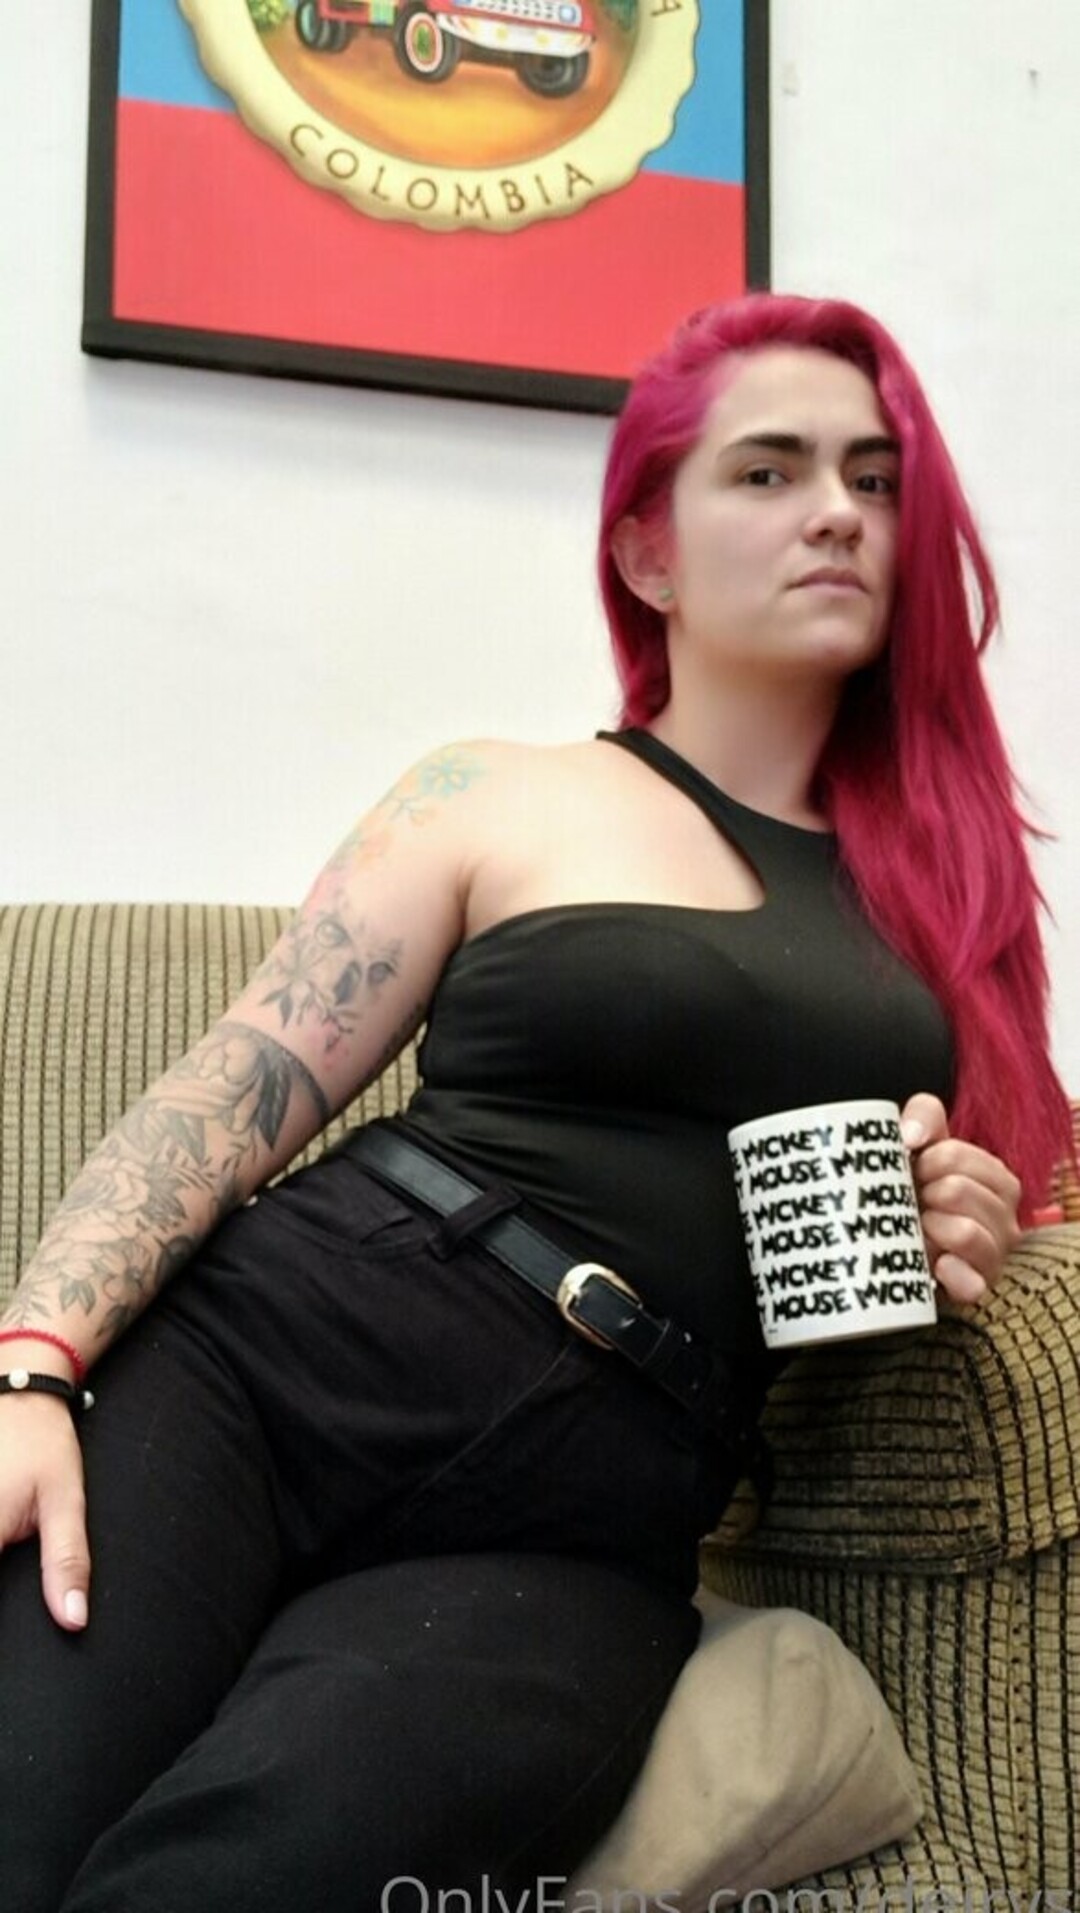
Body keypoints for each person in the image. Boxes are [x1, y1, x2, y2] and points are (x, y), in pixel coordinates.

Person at [0, 293, 1069, 1912]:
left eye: (874, 475)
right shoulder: (496, 790)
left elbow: (886, 1270)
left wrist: (957, 1220)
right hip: (269, 1364)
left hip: (580, 1524)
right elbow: (233, 1088)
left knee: (248, 1875)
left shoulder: (940, 915)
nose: (839, 510)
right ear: (649, 551)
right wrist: (34, 1364)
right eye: (770, 470)